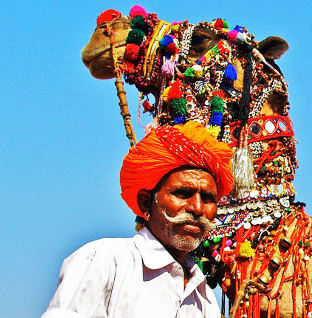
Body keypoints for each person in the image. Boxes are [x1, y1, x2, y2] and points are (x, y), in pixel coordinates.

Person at [43, 121, 233, 318]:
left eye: (208, 198)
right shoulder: (106, 260)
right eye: (183, 193)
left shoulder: (203, 296)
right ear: (145, 203)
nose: (197, 208)